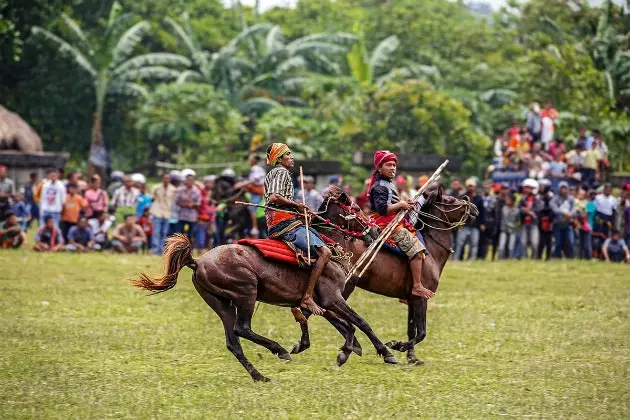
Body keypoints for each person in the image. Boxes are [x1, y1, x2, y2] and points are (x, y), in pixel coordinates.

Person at [264, 143, 333, 315]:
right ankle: (307, 297)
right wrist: (297, 204)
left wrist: (300, 211)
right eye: (288, 154)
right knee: (325, 252)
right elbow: (275, 197)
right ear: (280, 159)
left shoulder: (273, 173)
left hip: (281, 222)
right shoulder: (281, 172)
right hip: (285, 225)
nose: (292, 157)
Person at [367, 150, 435, 298]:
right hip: (385, 224)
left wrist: (405, 203)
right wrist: (401, 205)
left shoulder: (388, 183)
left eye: (394, 165)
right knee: (416, 250)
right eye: (388, 165)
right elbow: (383, 209)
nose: (392, 168)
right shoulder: (379, 186)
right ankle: (416, 286)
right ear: (379, 168)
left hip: (394, 221)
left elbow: (392, 204)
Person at [233, 154, 266, 238]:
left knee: (251, 208)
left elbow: (254, 180)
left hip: (258, 191)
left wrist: (241, 184)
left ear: (253, 160)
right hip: (254, 190)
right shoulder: (257, 168)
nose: (249, 161)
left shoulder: (256, 168)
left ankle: (255, 227)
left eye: (250, 159)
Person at [455, 178, 485, 261]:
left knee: (474, 243)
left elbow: (482, 212)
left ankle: (472, 259)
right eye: (469, 186)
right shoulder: (463, 197)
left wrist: (482, 223)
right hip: (464, 224)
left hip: (475, 224)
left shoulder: (479, 198)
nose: (470, 188)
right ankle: (457, 258)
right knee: (460, 243)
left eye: (472, 186)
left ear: (475, 187)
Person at [149, 173, 175, 254]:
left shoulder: (173, 189)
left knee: (164, 232)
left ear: (170, 179)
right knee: (156, 232)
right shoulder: (155, 187)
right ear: (162, 179)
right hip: (157, 212)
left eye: (168, 178)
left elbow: (173, 201)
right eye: (165, 178)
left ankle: (161, 250)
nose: (166, 180)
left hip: (167, 212)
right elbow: (152, 199)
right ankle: (155, 250)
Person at [550, 182, 575, 259]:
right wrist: (564, 214)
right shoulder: (555, 199)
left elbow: (574, 209)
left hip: (568, 223)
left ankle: (570, 257)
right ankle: (557, 257)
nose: (563, 190)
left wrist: (570, 215)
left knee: (570, 241)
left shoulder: (571, 198)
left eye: (565, 188)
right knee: (558, 242)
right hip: (558, 223)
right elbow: (554, 209)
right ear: (559, 189)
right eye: (562, 188)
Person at [518, 179, 542, 259]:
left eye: (528, 187)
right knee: (523, 242)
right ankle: (524, 257)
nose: (525, 189)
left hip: (534, 223)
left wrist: (527, 211)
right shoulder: (522, 199)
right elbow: (519, 209)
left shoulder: (538, 199)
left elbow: (538, 210)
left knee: (534, 242)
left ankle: (534, 258)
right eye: (525, 187)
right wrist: (528, 212)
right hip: (524, 223)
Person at [175, 173, 201, 240]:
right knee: (180, 234)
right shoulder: (180, 190)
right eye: (188, 180)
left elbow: (198, 203)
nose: (190, 182)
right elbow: (177, 202)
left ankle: (189, 248)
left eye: (192, 180)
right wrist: (187, 204)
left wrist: (192, 204)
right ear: (185, 180)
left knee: (191, 234)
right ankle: (180, 248)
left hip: (192, 216)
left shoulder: (197, 191)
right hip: (182, 215)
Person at [498, 194, 519, 259]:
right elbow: (505, 218)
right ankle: (500, 258)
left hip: (513, 230)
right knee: (501, 245)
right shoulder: (504, 208)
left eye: (509, 199)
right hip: (504, 229)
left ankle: (510, 258)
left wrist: (514, 226)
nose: (507, 200)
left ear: (513, 201)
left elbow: (518, 221)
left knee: (511, 246)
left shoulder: (517, 210)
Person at [537, 180, 554, 260]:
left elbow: (552, 208)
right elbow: (538, 208)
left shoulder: (551, 196)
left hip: (549, 220)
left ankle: (548, 257)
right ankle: (539, 256)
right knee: (541, 240)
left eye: (542, 186)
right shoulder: (539, 196)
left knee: (549, 240)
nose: (541, 188)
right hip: (541, 220)